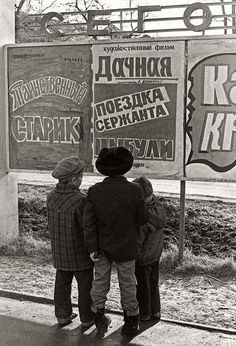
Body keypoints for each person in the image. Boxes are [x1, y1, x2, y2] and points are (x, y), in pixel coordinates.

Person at [83, 147, 149, 337]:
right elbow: (143, 218)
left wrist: (92, 248)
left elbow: (89, 223)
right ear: (125, 166)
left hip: (102, 247)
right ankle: (131, 323)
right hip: (127, 247)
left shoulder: (95, 191)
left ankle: (98, 317)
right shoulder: (135, 190)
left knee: (100, 282)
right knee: (127, 284)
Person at [47, 156, 94, 328]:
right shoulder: (80, 200)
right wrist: (93, 249)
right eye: (81, 177)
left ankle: (62, 316)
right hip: (79, 254)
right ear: (74, 179)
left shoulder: (51, 196)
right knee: (85, 288)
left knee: (61, 285)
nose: (82, 180)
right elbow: (87, 228)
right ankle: (87, 318)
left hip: (59, 251)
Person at [133, 176, 166, 322]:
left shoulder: (142, 217)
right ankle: (156, 311)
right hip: (156, 254)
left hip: (142, 258)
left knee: (142, 287)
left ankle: (145, 313)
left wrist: (133, 255)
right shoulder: (159, 207)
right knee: (153, 283)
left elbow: (138, 240)